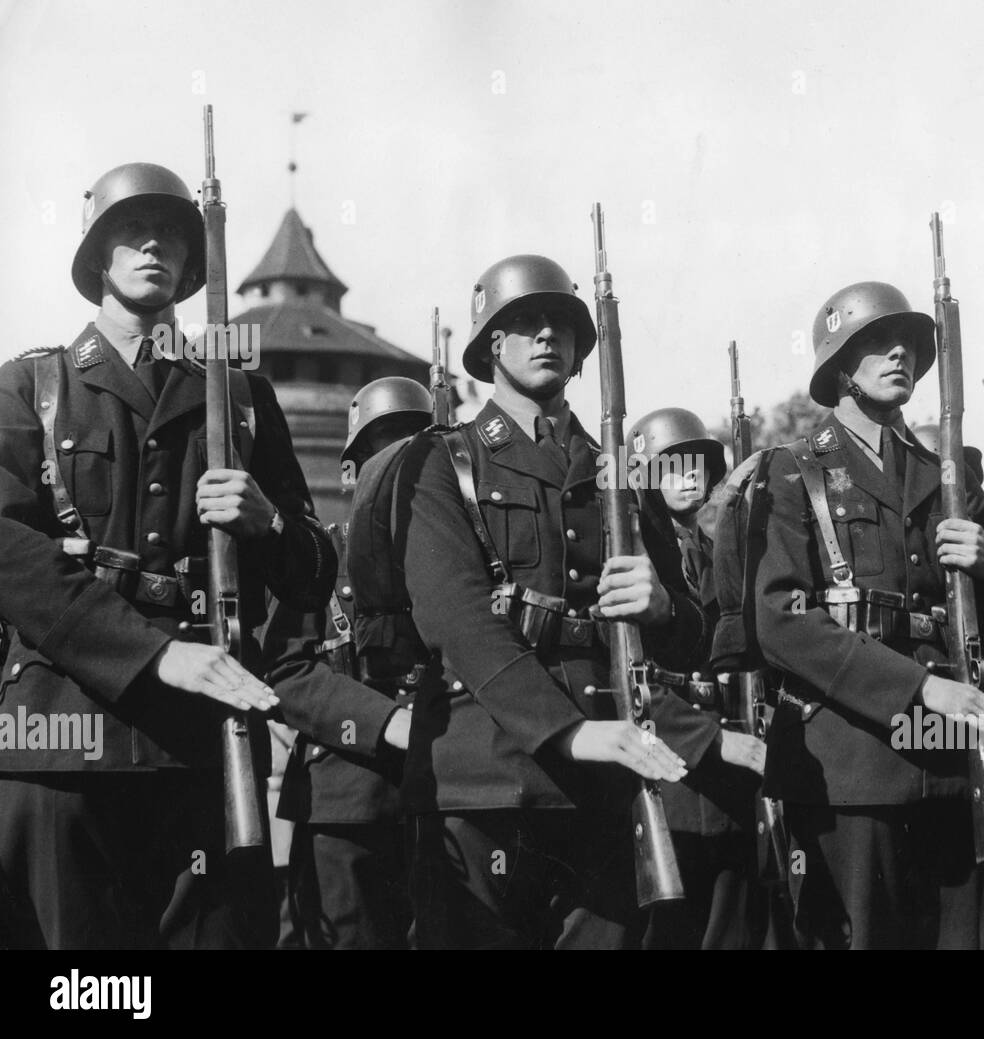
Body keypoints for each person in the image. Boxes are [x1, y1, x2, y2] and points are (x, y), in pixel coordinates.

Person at [0, 162, 334, 949]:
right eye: (131, 229)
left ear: (193, 264)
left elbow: (319, 569)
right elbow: (9, 549)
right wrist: (151, 657)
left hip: (206, 743)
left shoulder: (241, 398)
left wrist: (267, 524)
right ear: (98, 257)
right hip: (64, 739)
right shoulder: (31, 387)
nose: (154, 244)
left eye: (174, 234)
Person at [396, 254, 713, 949]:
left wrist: (661, 608)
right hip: (486, 777)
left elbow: (696, 631)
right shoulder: (444, 461)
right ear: (491, 346)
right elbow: (456, 617)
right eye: (525, 322)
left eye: (562, 324)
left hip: (605, 782)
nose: (547, 335)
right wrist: (567, 732)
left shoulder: (619, 473)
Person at [712, 281, 984, 950]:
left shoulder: (946, 478)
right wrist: (924, 690)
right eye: (877, 342)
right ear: (840, 366)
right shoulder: (790, 470)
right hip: (850, 768)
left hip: (952, 762)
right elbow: (781, 620)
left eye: (911, 346)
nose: (900, 354)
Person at [265, 377, 432, 948]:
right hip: (347, 801)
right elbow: (287, 672)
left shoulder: (459, 566)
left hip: (454, 794)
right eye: (379, 450)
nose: (397, 467)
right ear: (347, 474)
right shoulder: (316, 560)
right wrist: (388, 723)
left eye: (416, 451)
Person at [626, 407, 766, 949]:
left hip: (729, 780)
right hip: (671, 769)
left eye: (701, 465)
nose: (691, 475)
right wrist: (711, 740)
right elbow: (628, 672)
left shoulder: (714, 551)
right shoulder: (637, 551)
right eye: (674, 464)